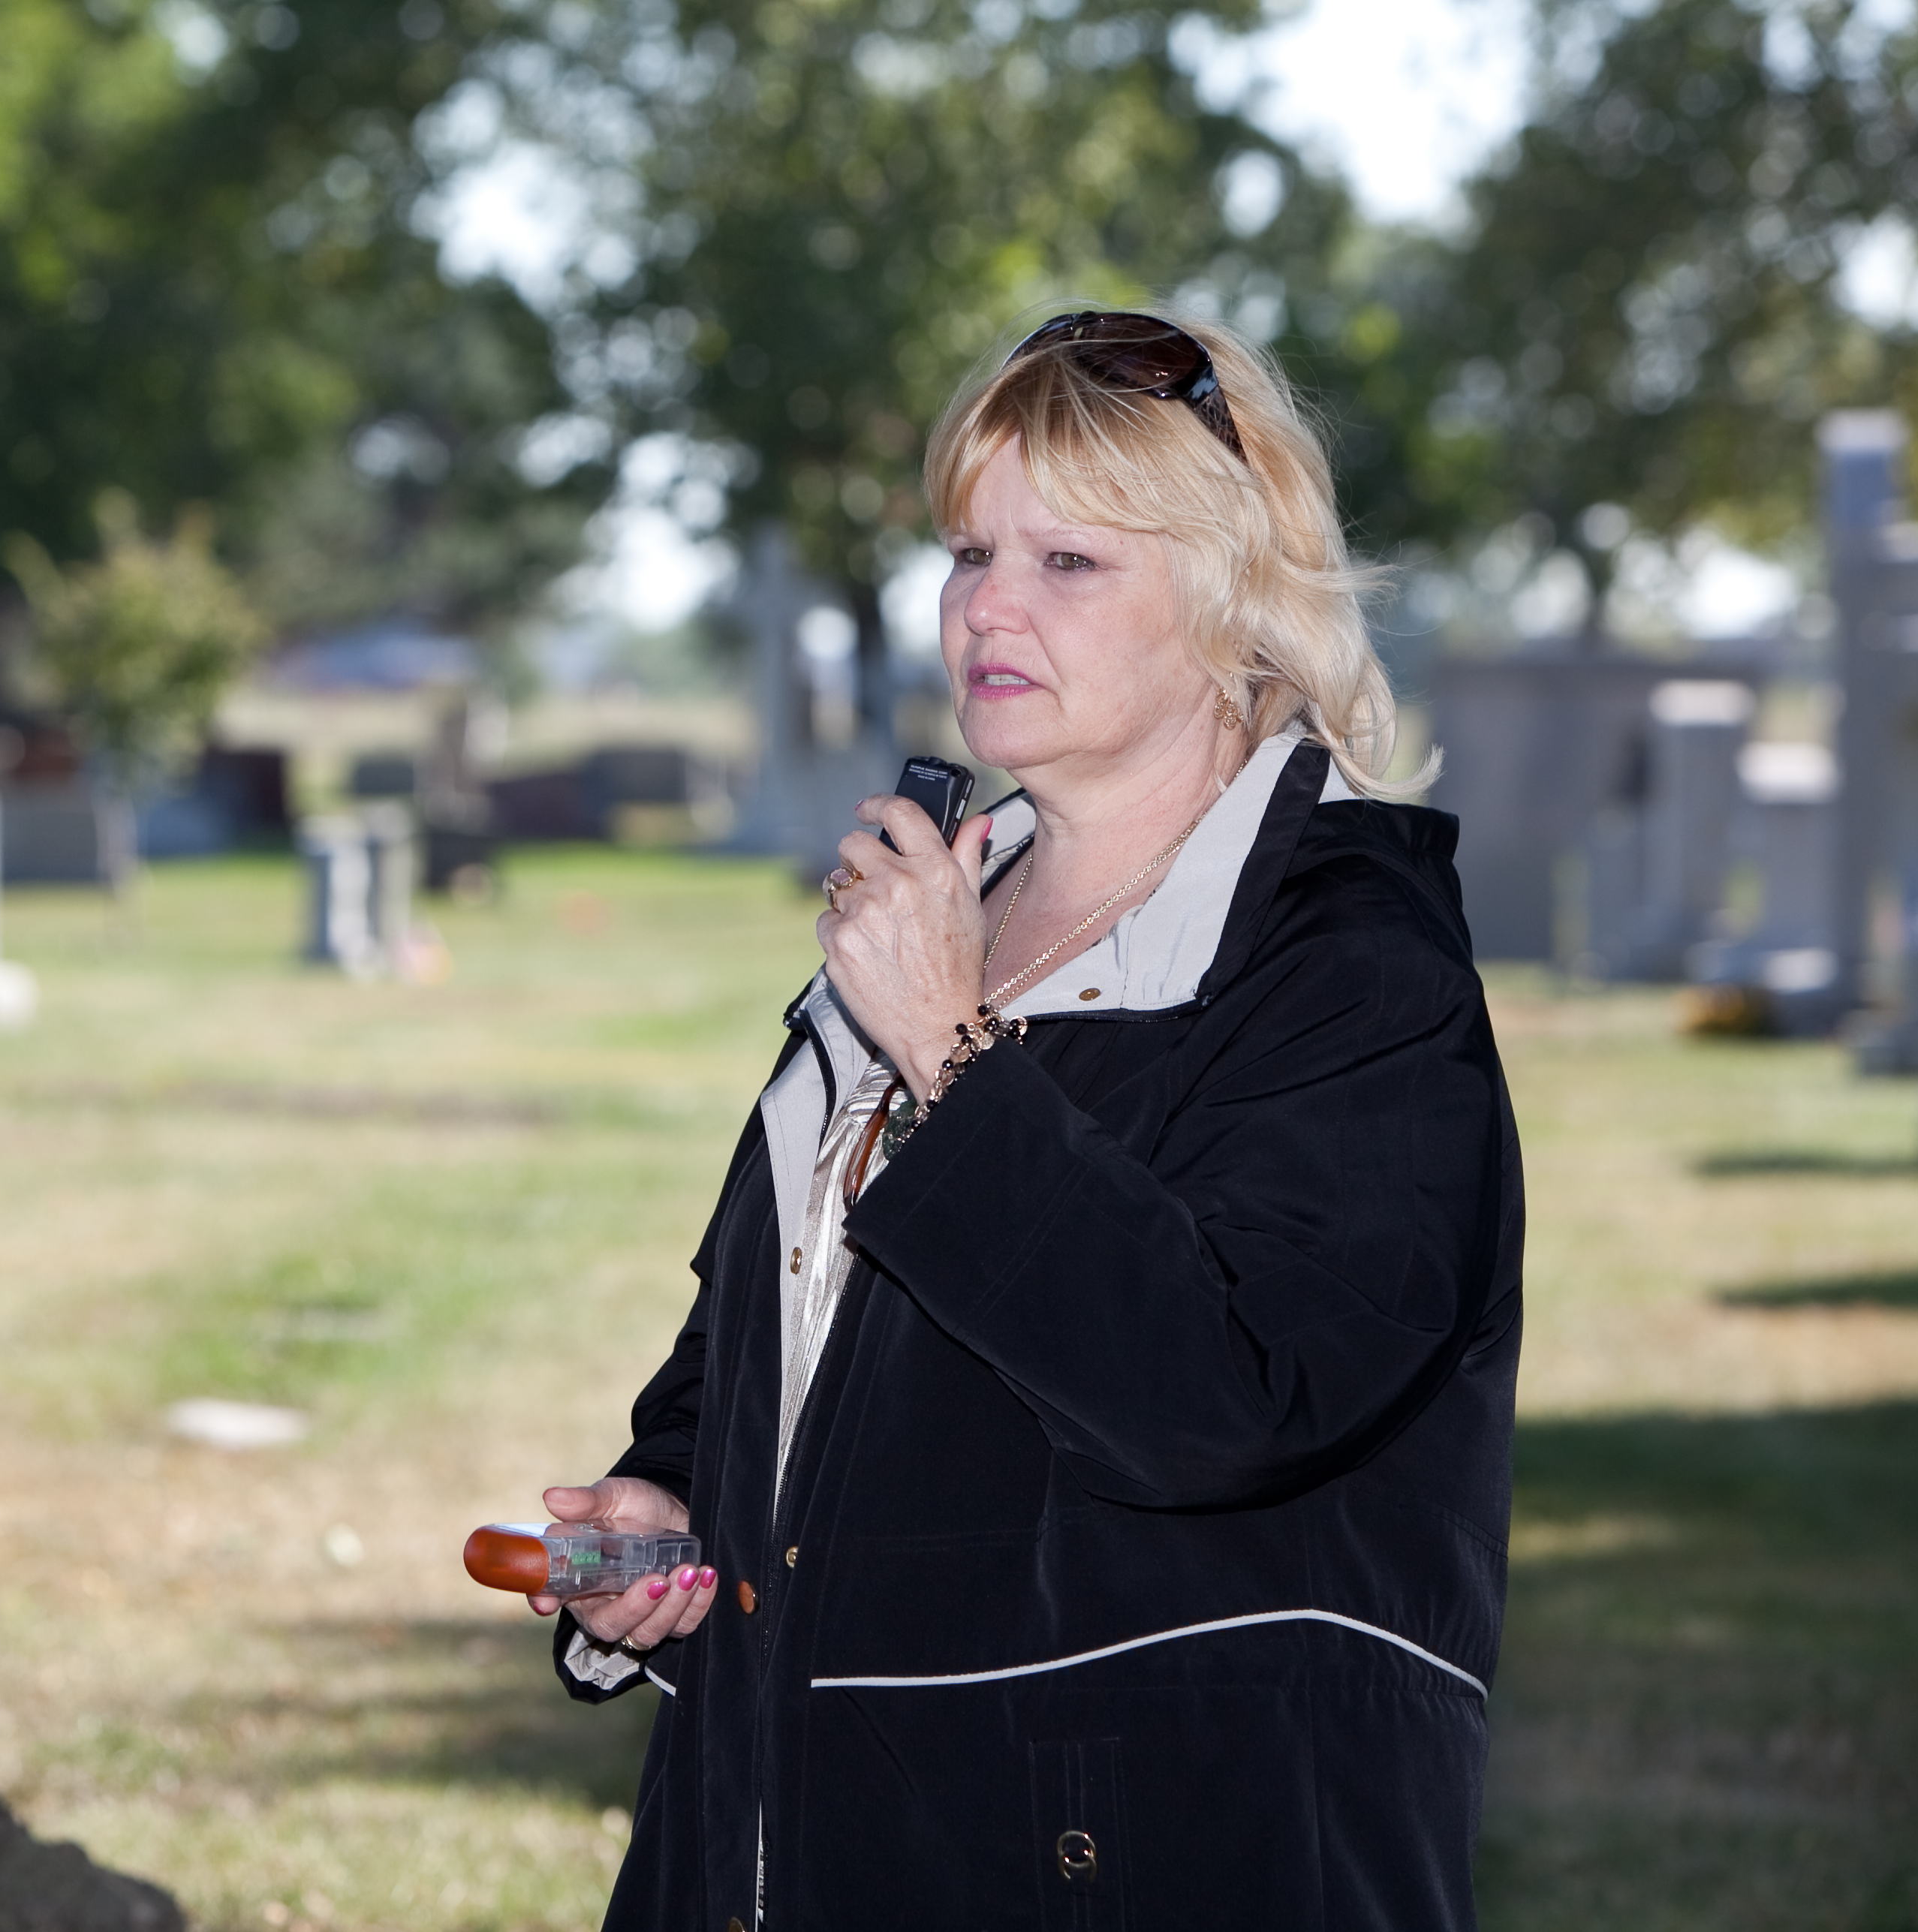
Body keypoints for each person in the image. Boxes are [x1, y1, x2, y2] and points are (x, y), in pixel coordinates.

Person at [521, 310, 1523, 1928]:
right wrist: (662, 1517)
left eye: (1067, 562)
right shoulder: (937, 911)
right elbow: (772, 1357)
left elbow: (1227, 1402)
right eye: (970, 549)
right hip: (773, 1849)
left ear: (1229, 599)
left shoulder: (1346, 962)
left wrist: (953, 1057)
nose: (983, 603)